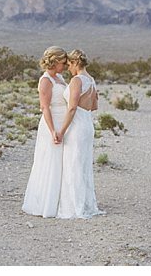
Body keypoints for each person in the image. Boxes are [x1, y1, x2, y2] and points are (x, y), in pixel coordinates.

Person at [21, 46, 69, 217]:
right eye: (63, 63)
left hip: (64, 123)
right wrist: (52, 130)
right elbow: (44, 107)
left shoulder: (60, 78)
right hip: (52, 123)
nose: (65, 66)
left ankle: (61, 200)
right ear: (55, 61)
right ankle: (46, 202)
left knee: (62, 162)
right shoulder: (45, 80)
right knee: (51, 161)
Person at [55, 49, 102, 219]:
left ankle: (74, 205)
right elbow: (94, 106)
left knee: (73, 163)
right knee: (82, 164)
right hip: (87, 124)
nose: (68, 68)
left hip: (76, 127)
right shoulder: (91, 80)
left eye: (68, 65)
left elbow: (72, 108)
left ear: (75, 63)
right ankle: (85, 202)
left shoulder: (77, 81)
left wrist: (61, 131)